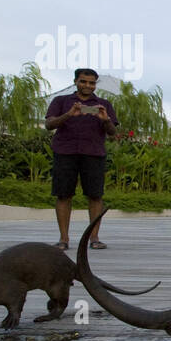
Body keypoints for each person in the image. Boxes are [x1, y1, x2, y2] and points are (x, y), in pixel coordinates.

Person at [45, 68, 118, 250]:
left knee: (95, 195)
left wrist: (105, 119)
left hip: (93, 153)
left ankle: (94, 238)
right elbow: (49, 124)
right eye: (84, 81)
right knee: (63, 195)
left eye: (92, 82)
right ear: (75, 81)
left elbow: (112, 132)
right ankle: (63, 239)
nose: (88, 85)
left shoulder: (104, 104)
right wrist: (69, 114)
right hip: (65, 152)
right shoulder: (61, 101)